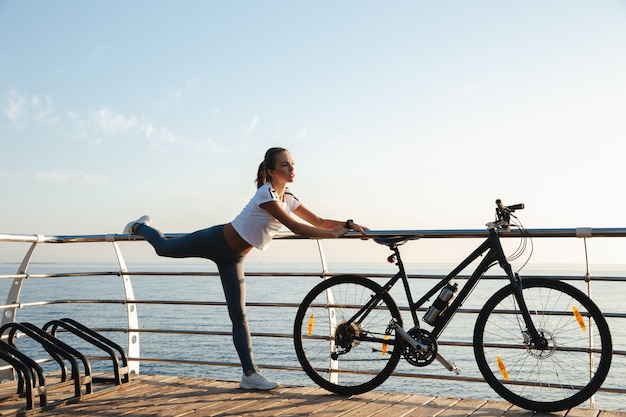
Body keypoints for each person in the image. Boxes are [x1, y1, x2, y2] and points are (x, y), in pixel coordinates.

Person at [123, 147, 368, 390]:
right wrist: (331, 235)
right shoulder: (266, 194)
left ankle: (249, 375)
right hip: (216, 240)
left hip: (235, 257)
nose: (292, 168)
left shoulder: (289, 199)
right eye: (285, 164)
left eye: (292, 163)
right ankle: (140, 227)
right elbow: (297, 228)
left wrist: (346, 224)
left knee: (238, 316)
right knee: (164, 248)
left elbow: (318, 221)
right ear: (271, 171)